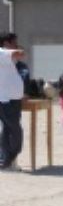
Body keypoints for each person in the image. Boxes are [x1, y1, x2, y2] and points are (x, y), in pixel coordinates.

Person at [0, 43, 25, 171]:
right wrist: (14, 50)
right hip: (7, 100)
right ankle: (9, 158)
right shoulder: (2, 53)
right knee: (15, 130)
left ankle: (6, 161)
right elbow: (20, 53)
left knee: (8, 130)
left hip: (11, 99)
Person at [1, 32, 32, 97]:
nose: (16, 46)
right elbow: (21, 53)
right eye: (14, 43)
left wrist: (25, 93)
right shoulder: (1, 52)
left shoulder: (20, 65)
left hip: (15, 97)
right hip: (5, 99)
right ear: (6, 43)